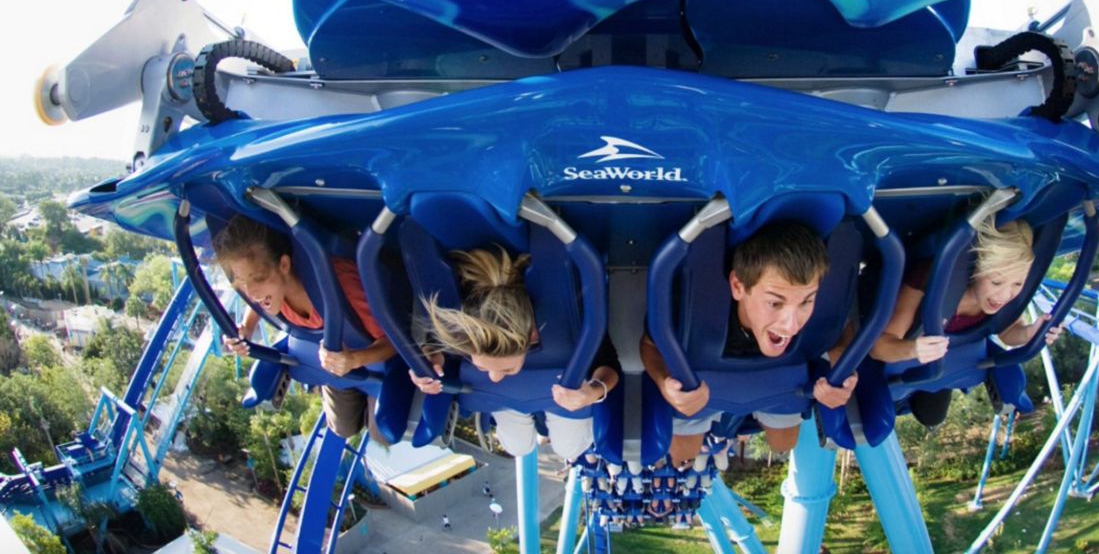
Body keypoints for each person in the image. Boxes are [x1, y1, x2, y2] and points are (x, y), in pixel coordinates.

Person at [640, 221, 858, 467]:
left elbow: (839, 332)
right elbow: (650, 346)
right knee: (682, 455)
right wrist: (664, 383)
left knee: (783, 445)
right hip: (700, 384)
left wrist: (842, 373)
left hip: (779, 382)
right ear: (737, 287)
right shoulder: (689, 307)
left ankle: (730, 428)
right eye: (775, 303)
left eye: (806, 302)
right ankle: (720, 434)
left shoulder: (821, 308)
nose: (790, 325)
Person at [410, 247, 620, 463]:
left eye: (507, 369)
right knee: (517, 447)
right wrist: (431, 360)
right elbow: (439, 349)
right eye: (482, 367)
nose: (494, 377)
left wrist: (592, 393)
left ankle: (548, 427)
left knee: (568, 449)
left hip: (560, 389)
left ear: (532, 336)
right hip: (505, 396)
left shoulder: (570, 322)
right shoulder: (468, 332)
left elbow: (609, 364)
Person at [214, 215, 397, 440]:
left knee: (381, 432)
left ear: (284, 265)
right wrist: (247, 327)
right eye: (242, 283)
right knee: (342, 428)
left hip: (371, 359)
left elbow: (393, 342)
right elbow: (258, 302)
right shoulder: (268, 295)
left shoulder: (342, 289)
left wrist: (354, 360)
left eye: (259, 279)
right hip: (331, 365)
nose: (251, 294)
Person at [870, 218, 1062, 427]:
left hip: (952, 361)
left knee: (933, 417)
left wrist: (1029, 333)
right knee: (890, 407)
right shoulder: (927, 280)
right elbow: (879, 346)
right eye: (996, 282)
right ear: (975, 269)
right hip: (910, 357)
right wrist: (913, 349)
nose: (1005, 294)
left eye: (1017, 283)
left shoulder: (1006, 297)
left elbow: (1009, 332)